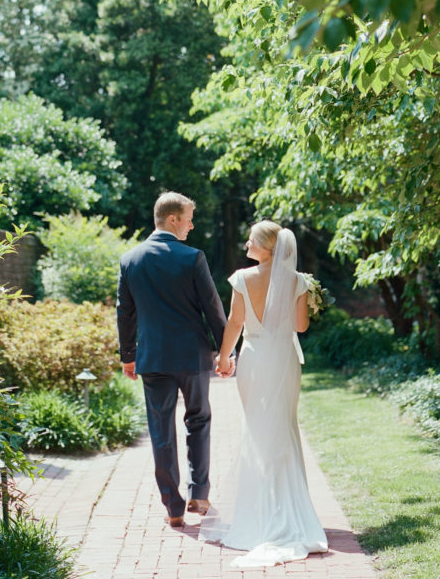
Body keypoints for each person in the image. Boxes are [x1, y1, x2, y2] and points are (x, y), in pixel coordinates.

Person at [206, 220, 328, 568]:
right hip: (284, 359)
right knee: (284, 428)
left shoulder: (243, 278)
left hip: (255, 358)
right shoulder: (299, 280)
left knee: (258, 431)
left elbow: (235, 322)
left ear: (266, 246)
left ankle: (259, 513)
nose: (246, 242)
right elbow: (301, 326)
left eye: (251, 239)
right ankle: (291, 511)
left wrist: (224, 356)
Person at [116, 191, 228, 528]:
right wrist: (225, 354)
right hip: (192, 355)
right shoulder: (193, 257)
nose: (192, 225)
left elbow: (125, 313)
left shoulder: (130, 259)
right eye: (189, 218)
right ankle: (200, 493)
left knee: (160, 430)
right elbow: (213, 308)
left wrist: (128, 356)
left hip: (152, 358)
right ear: (173, 219)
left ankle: (173, 506)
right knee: (199, 420)